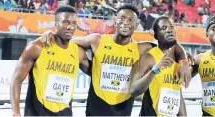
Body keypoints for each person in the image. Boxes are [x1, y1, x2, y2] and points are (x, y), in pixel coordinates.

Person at [42, 5, 191, 116]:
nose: (126, 22)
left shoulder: (142, 48)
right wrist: (51, 33)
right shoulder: (96, 40)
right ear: (115, 21)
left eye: (131, 20)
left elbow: (170, 44)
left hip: (123, 110)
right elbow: (68, 40)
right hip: (96, 109)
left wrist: (183, 60)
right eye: (122, 18)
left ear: (136, 24)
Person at [10, 5, 90, 116]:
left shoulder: (78, 52)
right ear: (56, 24)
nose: (70, 27)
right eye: (65, 22)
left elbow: (96, 72)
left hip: (65, 112)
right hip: (37, 112)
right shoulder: (37, 47)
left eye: (74, 23)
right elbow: (16, 80)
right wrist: (15, 112)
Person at [130, 16, 187, 116]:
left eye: (172, 27)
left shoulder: (178, 59)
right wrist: (154, 70)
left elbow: (177, 93)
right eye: (163, 28)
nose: (169, 30)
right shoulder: (149, 57)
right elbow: (134, 90)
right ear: (156, 36)